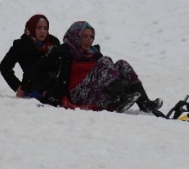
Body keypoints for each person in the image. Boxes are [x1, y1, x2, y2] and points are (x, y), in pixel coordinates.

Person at [25, 21, 162, 113]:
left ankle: (144, 102)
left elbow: (108, 73)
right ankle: (119, 97)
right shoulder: (62, 51)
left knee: (121, 64)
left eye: (91, 37)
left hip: (97, 92)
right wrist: (51, 88)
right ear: (75, 35)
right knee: (105, 61)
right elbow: (35, 70)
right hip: (78, 93)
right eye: (84, 36)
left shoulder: (94, 53)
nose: (88, 40)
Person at [0, 14, 60, 99]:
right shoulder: (21, 45)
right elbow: (4, 66)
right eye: (38, 28)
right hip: (31, 89)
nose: (42, 31)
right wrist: (17, 86)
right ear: (32, 27)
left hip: (53, 87)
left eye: (45, 28)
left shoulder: (53, 42)